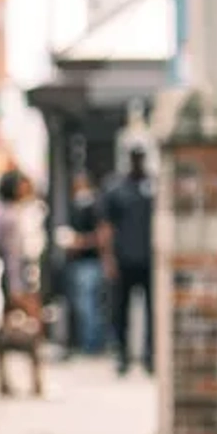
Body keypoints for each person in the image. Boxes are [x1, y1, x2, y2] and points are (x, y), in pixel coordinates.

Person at [102, 145, 156, 376]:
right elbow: (106, 227)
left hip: (149, 260)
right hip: (123, 259)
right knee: (120, 311)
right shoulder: (116, 189)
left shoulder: (153, 187)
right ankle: (123, 356)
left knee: (152, 312)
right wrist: (108, 259)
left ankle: (149, 356)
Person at [0, 169, 46, 398]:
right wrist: (18, 289)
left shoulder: (10, 213)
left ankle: (8, 381)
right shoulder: (12, 217)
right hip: (17, 278)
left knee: (11, 329)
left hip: (14, 277)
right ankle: (35, 383)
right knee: (33, 330)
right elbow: (13, 256)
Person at [61, 172, 108, 356]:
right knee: (84, 306)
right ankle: (87, 343)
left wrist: (81, 242)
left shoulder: (95, 207)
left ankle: (93, 345)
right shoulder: (75, 207)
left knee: (90, 306)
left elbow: (102, 235)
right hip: (79, 263)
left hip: (91, 263)